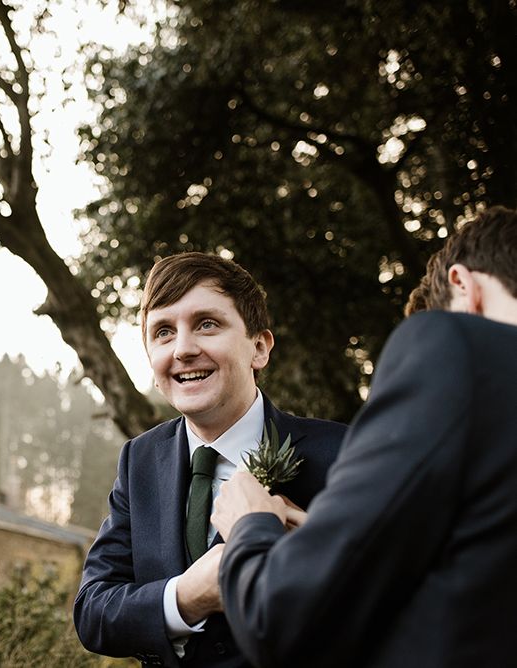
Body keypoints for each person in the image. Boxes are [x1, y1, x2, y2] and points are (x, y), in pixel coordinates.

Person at [212, 206, 517, 668]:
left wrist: (248, 526)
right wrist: (332, 539)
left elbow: (280, 621)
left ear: (464, 286)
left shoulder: (450, 343)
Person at [74, 252, 346, 667]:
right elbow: (94, 611)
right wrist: (185, 597)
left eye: (207, 324)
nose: (183, 349)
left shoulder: (344, 454)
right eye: (163, 332)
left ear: (259, 347)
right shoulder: (139, 459)